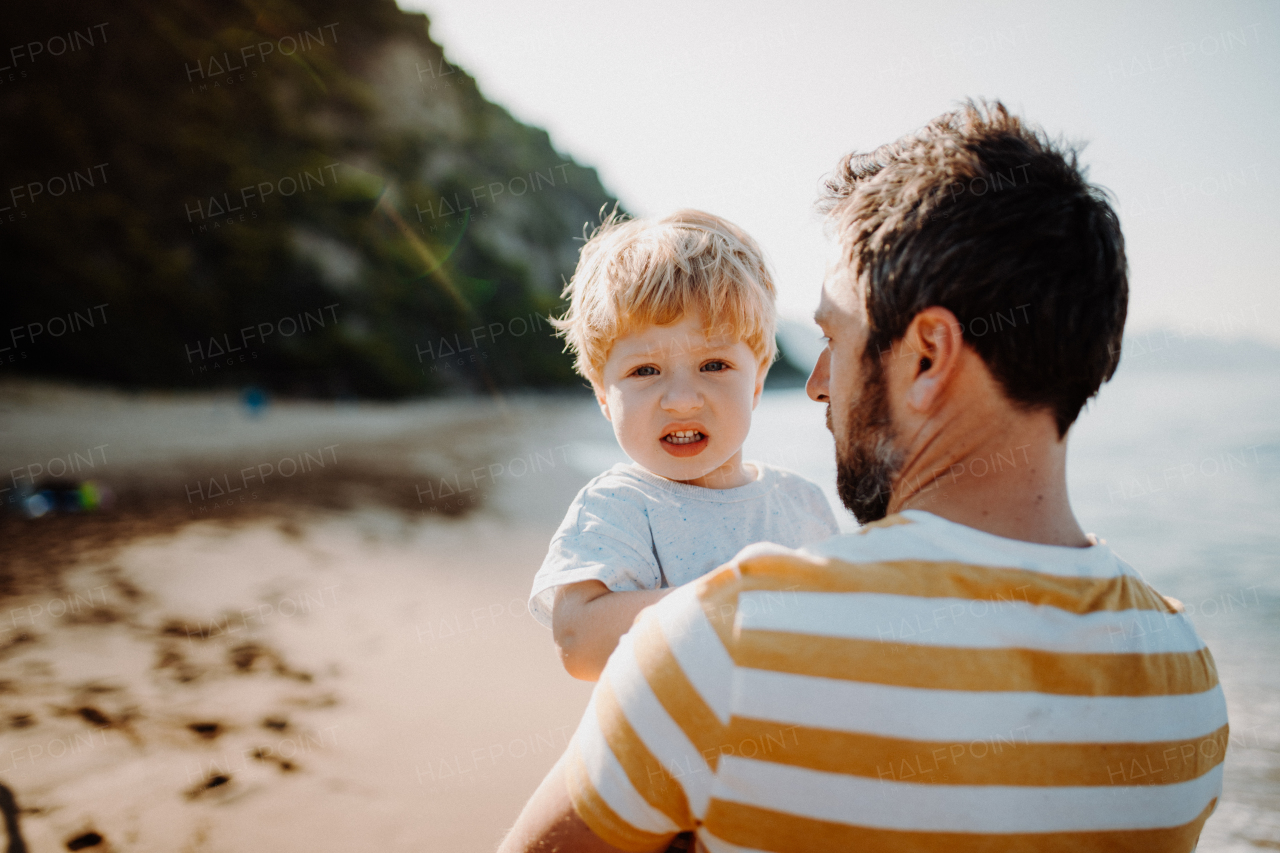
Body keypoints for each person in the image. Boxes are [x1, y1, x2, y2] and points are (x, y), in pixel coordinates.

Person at [499, 100, 1229, 852]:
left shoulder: (728, 639)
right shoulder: (1187, 681)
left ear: (927, 357)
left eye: (835, 338)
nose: (815, 383)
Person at [530, 209, 839, 682]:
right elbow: (579, 642)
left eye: (713, 365)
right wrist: (738, 599)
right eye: (645, 371)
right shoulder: (620, 505)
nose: (680, 401)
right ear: (603, 397)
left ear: (756, 383)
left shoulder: (803, 503)